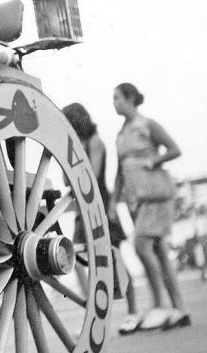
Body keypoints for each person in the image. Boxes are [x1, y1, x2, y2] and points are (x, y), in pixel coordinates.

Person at [111, 83, 191, 331]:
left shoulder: (147, 125)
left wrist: (154, 161)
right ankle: (180, 309)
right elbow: (119, 172)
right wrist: (113, 201)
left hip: (154, 195)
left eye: (118, 98)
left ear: (130, 99)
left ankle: (160, 306)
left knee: (141, 244)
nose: (114, 103)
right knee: (158, 250)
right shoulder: (121, 134)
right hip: (136, 199)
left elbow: (175, 149)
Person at [62, 102, 143, 335]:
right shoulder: (76, 145)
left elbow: (93, 175)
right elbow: (68, 181)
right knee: (76, 260)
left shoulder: (94, 142)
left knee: (116, 261)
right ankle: (92, 314)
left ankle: (133, 311)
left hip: (100, 208)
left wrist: (75, 157)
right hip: (82, 212)